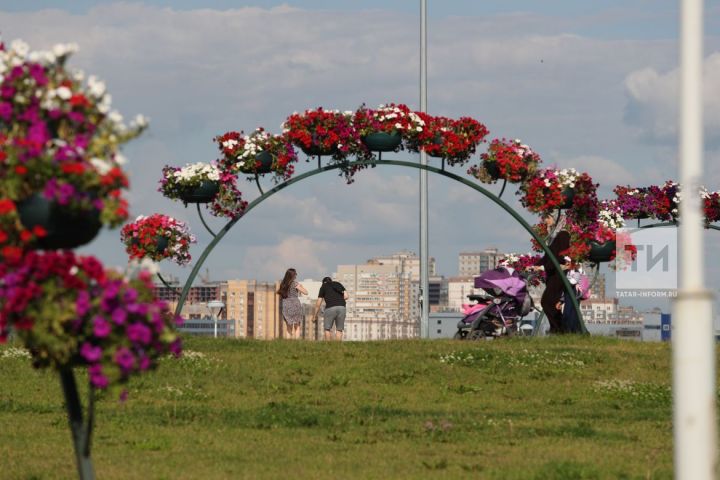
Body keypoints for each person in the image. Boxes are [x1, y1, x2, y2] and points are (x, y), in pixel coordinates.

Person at [533, 213, 571, 334]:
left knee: (547, 301)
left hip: (559, 274)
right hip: (553, 274)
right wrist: (536, 265)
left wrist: (543, 267)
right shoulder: (553, 236)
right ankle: (558, 329)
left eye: (548, 218)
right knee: (551, 303)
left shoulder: (563, 235)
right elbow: (548, 256)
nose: (545, 220)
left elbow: (560, 257)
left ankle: (558, 329)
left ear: (556, 218)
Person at [312, 276, 348, 341]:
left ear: (323, 282)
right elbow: (346, 296)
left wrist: (314, 316)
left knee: (327, 329)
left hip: (330, 307)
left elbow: (318, 303)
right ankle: (337, 347)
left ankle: (329, 345)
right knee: (339, 329)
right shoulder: (338, 284)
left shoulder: (323, 286)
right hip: (342, 307)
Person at [277, 268, 308, 339]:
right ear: (293, 275)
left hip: (286, 305)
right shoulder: (295, 284)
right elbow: (306, 292)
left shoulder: (282, 284)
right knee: (297, 326)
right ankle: (296, 343)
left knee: (288, 326)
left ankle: (288, 343)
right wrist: (300, 287)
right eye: (295, 274)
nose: (296, 275)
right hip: (295, 305)